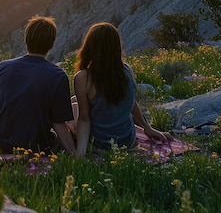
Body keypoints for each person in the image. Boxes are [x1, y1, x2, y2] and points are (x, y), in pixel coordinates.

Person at [0, 16, 76, 155]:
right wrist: (75, 153)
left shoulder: (4, 66)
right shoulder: (58, 75)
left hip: (2, 141)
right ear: (51, 44)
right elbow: (58, 123)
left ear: (26, 39)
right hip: (37, 145)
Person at [72, 22, 171, 157]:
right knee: (76, 101)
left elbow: (84, 119)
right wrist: (146, 127)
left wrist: (80, 154)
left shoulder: (83, 78)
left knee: (73, 108)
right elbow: (131, 102)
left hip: (102, 145)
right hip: (128, 141)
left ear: (90, 47)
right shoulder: (127, 71)